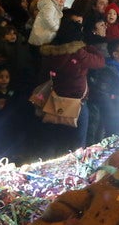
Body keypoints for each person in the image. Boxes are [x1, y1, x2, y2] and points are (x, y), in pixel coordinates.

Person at [39, 10, 106, 155]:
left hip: (54, 101)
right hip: (77, 104)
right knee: (77, 144)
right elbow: (99, 61)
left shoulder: (49, 52)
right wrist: (86, 46)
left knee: (53, 140)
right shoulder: (79, 52)